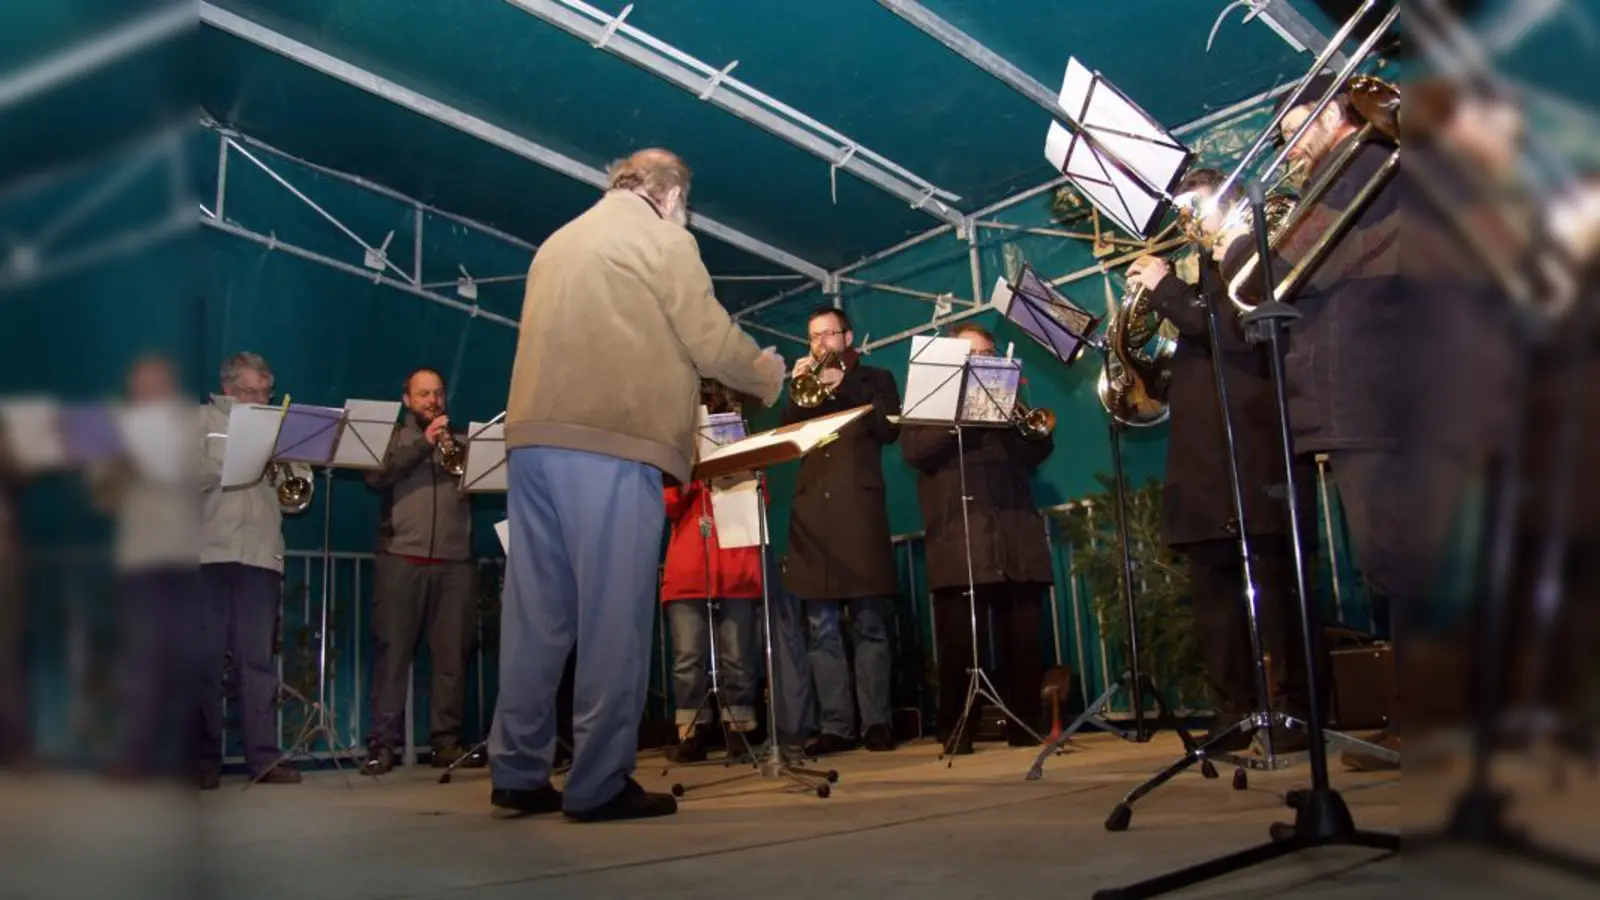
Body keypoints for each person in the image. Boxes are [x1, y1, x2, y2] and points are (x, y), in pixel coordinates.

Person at [488, 148, 785, 821]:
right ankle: (597, 785)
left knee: (538, 617)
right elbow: (708, 339)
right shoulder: (662, 238)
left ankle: (518, 770)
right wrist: (766, 374)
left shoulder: (556, 243)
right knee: (613, 616)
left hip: (533, 444)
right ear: (674, 196)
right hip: (610, 442)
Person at [1211, 74, 1411, 767]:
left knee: (1397, 560)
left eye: (1294, 128)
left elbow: (1281, 273)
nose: (1288, 150)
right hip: (1371, 392)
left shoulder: (1355, 168)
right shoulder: (1363, 169)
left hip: (1368, 392)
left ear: (1333, 116)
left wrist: (1232, 241)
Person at [1127, 168, 1315, 753]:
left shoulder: (1253, 255)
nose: (1186, 223)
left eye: (1193, 209)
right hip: (1206, 463)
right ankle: (1233, 710)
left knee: (1273, 590)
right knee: (1215, 597)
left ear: (1228, 205)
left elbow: (1237, 333)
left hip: (1252, 455)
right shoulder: (1207, 272)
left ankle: (1292, 712)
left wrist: (1165, 289)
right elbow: (1199, 354)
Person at [899, 325, 1053, 753]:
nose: (979, 362)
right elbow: (915, 452)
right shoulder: (929, 403)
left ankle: (1025, 727)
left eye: (986, 354)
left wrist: (1021, 424)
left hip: (1014, 534)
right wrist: (961, 415)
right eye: (970, 355)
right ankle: (956, 729)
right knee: (959, 647)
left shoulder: (1009, 405)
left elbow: (1037, 451)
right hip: (960, 535)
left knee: (1023, 641)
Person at [781, 307, 902, 756]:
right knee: (822, 628)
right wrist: (798, 390)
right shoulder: (804, 384)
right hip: (813, 515)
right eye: (813, 336)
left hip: (859, 512)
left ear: (847, 336)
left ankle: (876, 723)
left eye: (828, 334)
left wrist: (843, 385)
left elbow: (889, 429)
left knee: (870, 624)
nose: (820, 344)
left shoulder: (875, 378)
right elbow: (787, 436)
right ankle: (836, 725)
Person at [87, 356, 206, 781]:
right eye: (140, 384)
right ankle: (136, 755)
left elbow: (208, 477)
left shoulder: (193, 421)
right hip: (140, 555)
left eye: (155, 381)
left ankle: (185, 757)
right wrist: (119, 465)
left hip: (185, 552)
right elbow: (102, 497)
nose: (147, 389)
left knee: (187, 658)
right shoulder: (116, 425)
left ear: (170, 383)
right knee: (142, 659)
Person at [198, 352, 313, 786]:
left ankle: (263, 759)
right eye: (250, 391)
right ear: (227, 388)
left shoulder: (279, 427)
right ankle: (203, 761)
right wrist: (232, 461)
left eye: (265, 391)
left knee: (257, 663)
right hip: (208, 551)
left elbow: (295, 496)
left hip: (262, 556)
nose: (259, 398)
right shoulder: (201, 420)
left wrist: (287, 475)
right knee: (204, 661)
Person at [359, 367, 480, 776]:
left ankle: (446, 743)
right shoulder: (394, 439)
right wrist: (420, 444)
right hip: (401, 557)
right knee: (393, 654)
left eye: (439, 393)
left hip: (454, 562)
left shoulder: (464, 441)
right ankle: (382, 743)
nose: (433, 400)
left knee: (452, 657)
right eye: (424, 394)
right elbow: (376, 475)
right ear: (407, 400)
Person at [660, 381, 762, 762]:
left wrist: (732, 469)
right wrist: (691, 470)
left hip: (735, 563)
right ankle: (692, 733)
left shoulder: (740, 441)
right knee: (688, 658)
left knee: (738, 656)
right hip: (689, 567)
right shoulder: (674, 450)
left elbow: (758, 498)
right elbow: (669, 504)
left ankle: (741, 729)